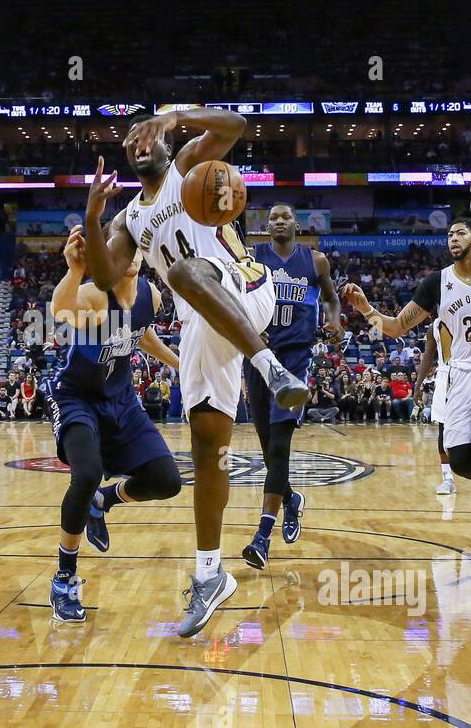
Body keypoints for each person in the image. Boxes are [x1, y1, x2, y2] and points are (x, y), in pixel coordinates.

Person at [81, 105, 309, 637]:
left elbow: (236, 128)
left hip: (247, 288)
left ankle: (271, 368)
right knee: (209, 446)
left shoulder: (188, 165)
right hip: (202, 324)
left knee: (184, 270)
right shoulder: (128, 218)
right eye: (130, 138)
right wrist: (92, 218)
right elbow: (103, 274)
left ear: (161, 141)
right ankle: (211, 574)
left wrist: (177, 115)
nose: (140, 142)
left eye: (146, 132)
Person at [343, 216, 471, 565]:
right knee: (461, 461)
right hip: (461, 375)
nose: (453, 237)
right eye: (449, 233)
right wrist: (367, 310)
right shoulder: (437, 283)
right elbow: (396, 327)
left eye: (460, 232)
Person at [45, 228, 182, 621]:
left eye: (135, 247)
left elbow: (142, 335)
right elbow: (59, 311)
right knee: (85, 473)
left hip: (121, 401)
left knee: (166, 480)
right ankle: (64, 578)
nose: (132, 254)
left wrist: (180, 366)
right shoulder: (91, 295)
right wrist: (73, 270)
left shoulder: (151, 296)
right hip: (76, 396)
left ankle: (104, 501)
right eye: (120, 249)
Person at [240, 204, 341, 570]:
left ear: (296, 224)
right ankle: (291, 500)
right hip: (258, 357)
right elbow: (237, 298)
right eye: (273, 218)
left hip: (295, 361)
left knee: (280, 445)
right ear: (265, 227)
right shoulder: (252, 257)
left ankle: (262, 536)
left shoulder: (315, 261)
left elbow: (330, 298)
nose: (279, 221)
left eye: (285, 217)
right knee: (269, 449)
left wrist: (334, 321)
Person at [414, 320, 455, 494]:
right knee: (443, 430)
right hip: (445, 376)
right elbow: (427, 358)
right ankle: (447, 478)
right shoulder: (435, 327)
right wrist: (417, 386)